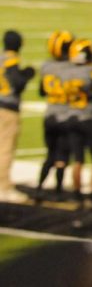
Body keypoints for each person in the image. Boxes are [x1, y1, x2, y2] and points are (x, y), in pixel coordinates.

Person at [59, 39, 92, 209]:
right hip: (88, 119)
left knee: (77, 159)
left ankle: (77, 195)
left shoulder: (65, 72)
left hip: (72, 118)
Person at [36, 30, 75, 202]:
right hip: (65, 116)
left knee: (50, 154)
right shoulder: (73, 69)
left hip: (50, 116)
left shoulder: (47, 66)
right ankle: (58, 191)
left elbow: (42, 91)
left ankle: (39, 188)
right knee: (62, 157)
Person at [0, 30, 35, 203]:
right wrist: (28, 73)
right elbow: (17, 82)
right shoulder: (11, 59)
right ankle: (3, 187)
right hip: (7, 108)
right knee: (5, 148)